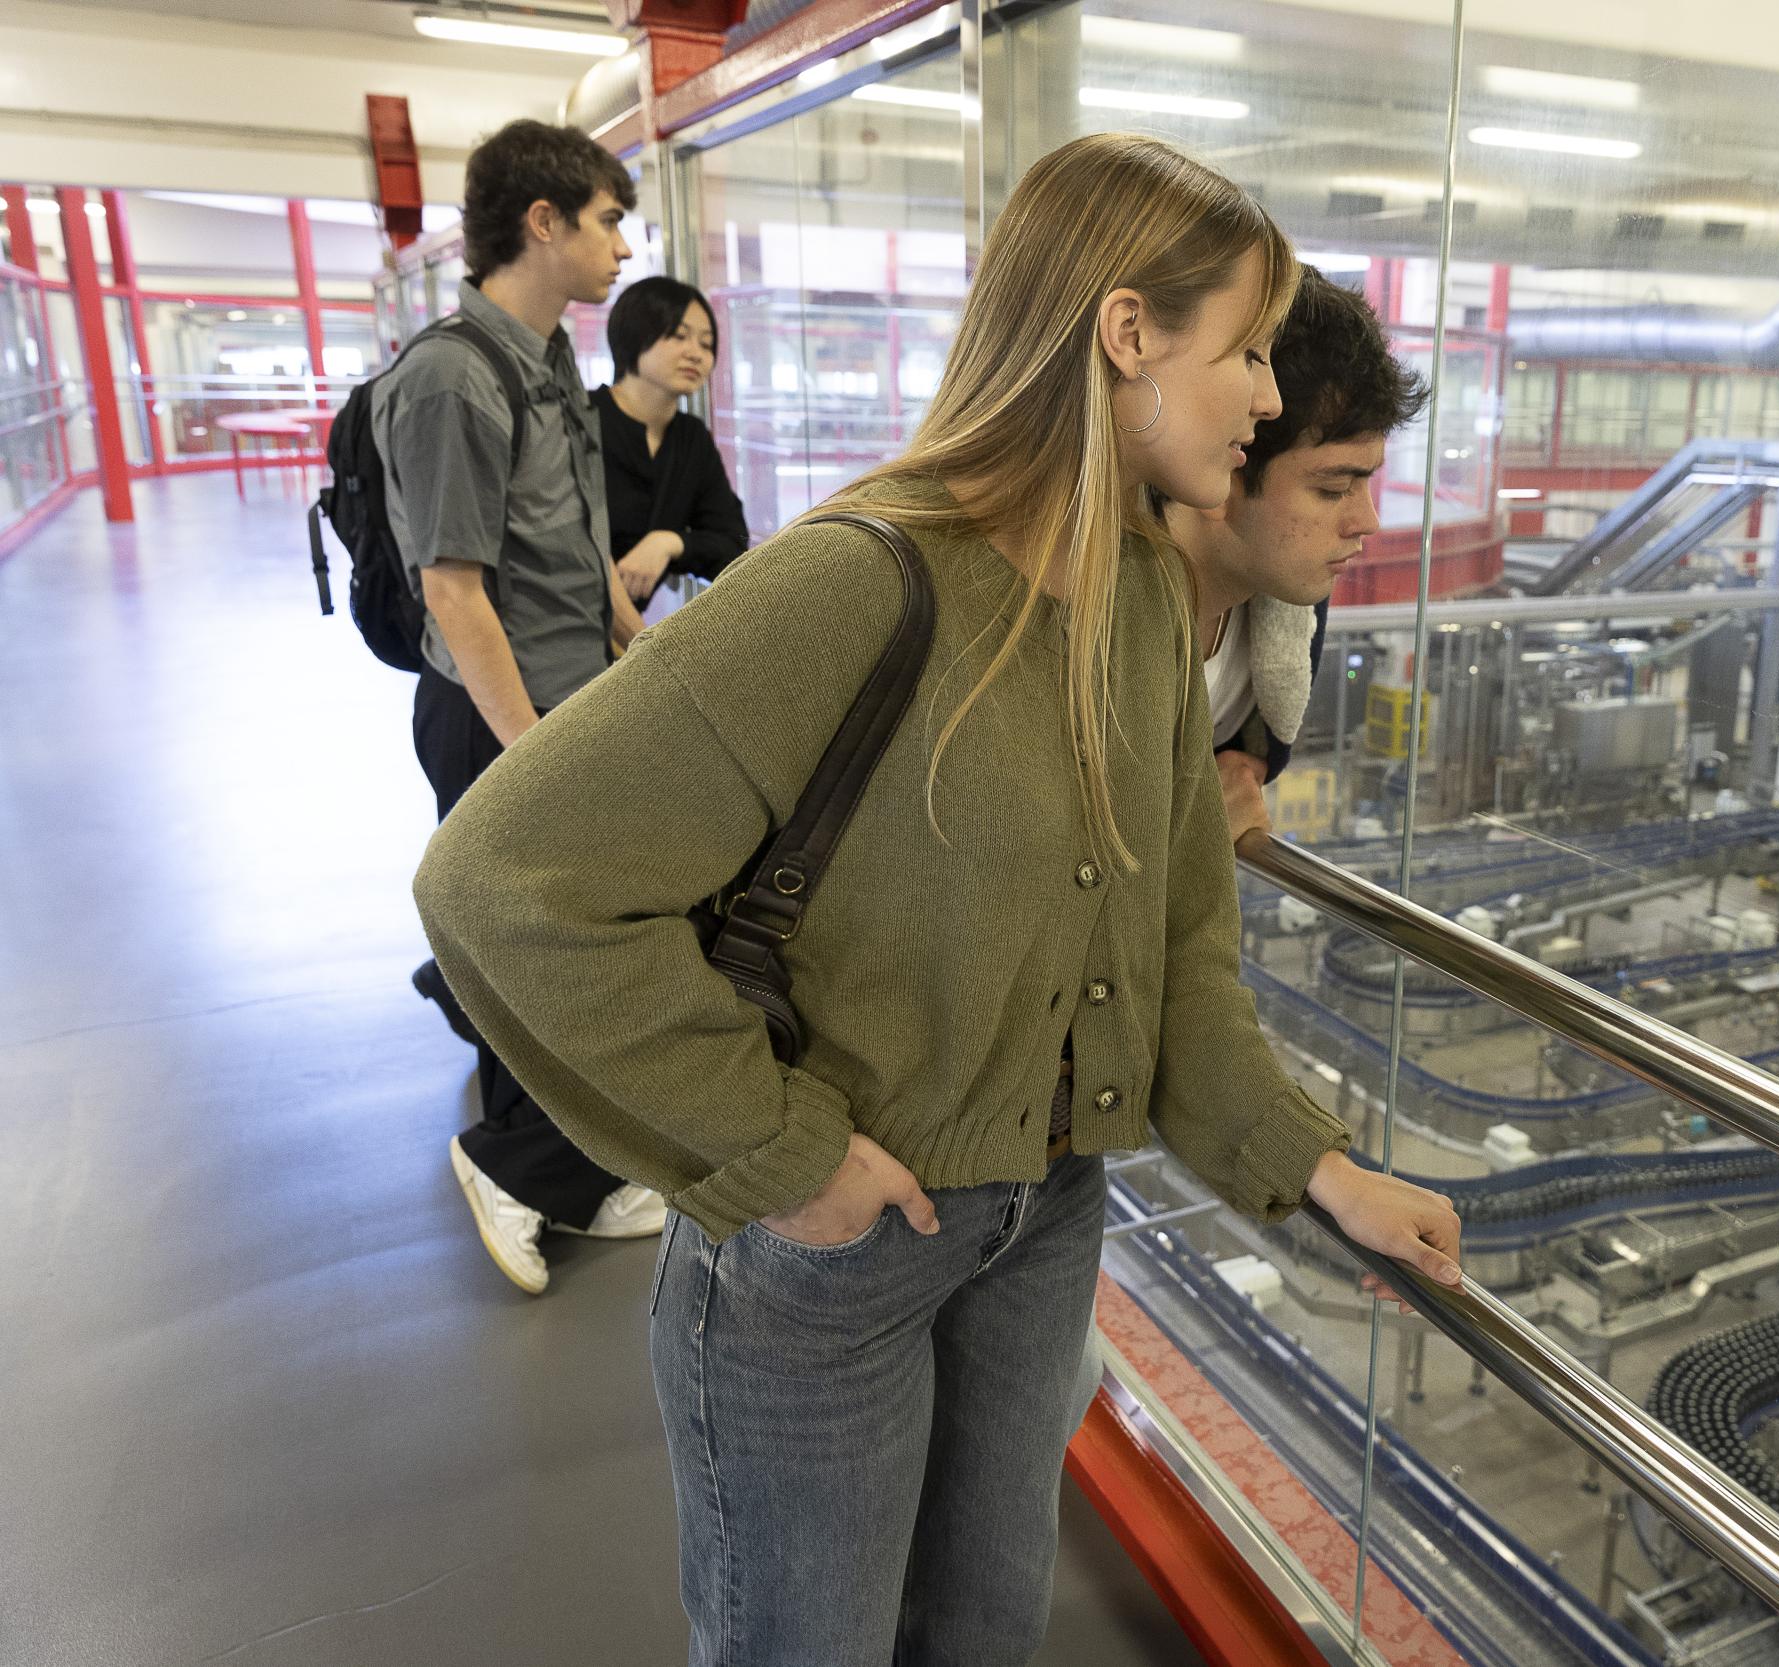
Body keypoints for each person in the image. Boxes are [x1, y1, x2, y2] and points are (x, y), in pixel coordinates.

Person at [412, 132, 1463, 1664]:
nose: (1261, 396)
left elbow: (1176, 951)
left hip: (1045, 1218)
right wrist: (781, 1151)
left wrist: (1319, 1165)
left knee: (983, 1627)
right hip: (825, 1264)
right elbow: (504, 878)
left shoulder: (1145, 605)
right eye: (1243, 351)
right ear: (1126, 334)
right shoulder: (858, 578)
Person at [379, 118, 662, 1293]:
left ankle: (566, 1166)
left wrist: (632, 639)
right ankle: (515, 1162)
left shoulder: (547, 361)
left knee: (553, 943)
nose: (623, 247)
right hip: (501, 716)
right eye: (607, 221)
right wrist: (534, 753)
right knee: (562, 950)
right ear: (542, 222)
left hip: (567, 703)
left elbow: (569, 539)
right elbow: (454, 588)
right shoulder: (451, 377)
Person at [1161, 268, 1427, 841]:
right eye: (1333, 488)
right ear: (1223, 466)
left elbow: (1234, 762)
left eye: (1366, 483)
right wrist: (1184, 824)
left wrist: (1238, 773)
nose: (1367, 522)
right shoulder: (1081, 621)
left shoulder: (1290, 596)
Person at [592, 276, 750, 606]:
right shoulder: (582, 418)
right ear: (634, 335)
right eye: (679, 336)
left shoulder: (691, 438)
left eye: (706, 344)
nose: (696, 354)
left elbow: (732, 545)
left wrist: (669, 542)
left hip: (622, 628)